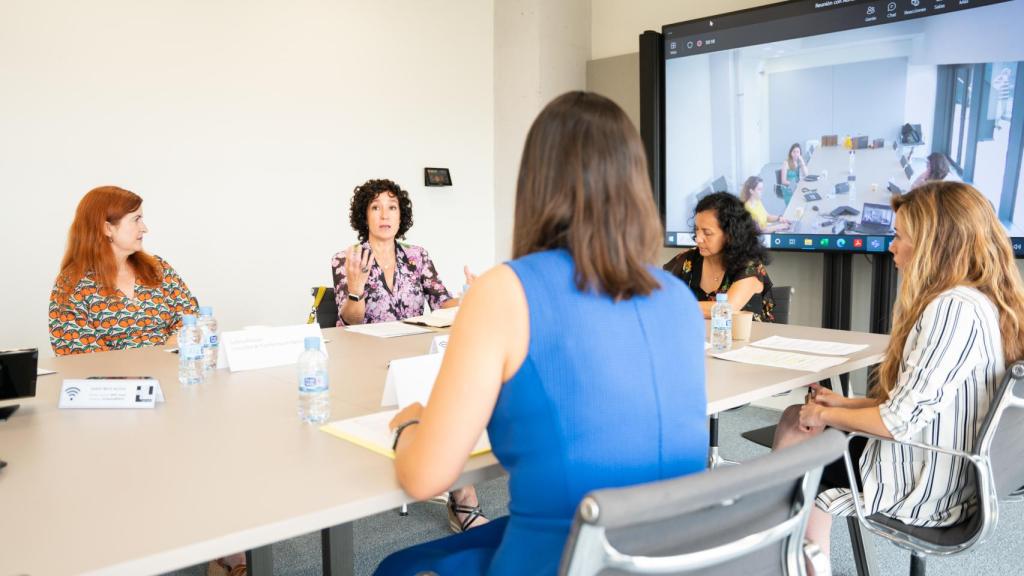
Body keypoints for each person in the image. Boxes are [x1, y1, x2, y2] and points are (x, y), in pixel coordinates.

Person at [375, 91, 708, 575]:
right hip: (668, 556)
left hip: (564, 560)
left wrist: (409, 426)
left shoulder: (504, 292)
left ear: (535, 184)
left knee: (397, 567)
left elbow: (425, 478)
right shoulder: (677, 297)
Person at [772, 181, 1024, 574]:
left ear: (934, 246)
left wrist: (824, 415)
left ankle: (794, 556)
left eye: (900, 236)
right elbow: (922, 402)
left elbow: (896, 422)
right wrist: (843, 404)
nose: (891, 246)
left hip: (928, 484)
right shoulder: (982, 300)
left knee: (801, 442)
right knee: (798, 418)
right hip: (949, 465)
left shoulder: (951, 309)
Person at [330, 178, 483, 533]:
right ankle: (454, 490)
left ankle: (461, 494)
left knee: (451, 403)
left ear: (402, 216)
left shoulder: (417, 256)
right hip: (366, 362)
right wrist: (355, 291)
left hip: (415, 358)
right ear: (364, 216)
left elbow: (441, 301)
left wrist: (470, 297)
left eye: (392, 207)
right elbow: (349, 320)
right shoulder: (347, 260)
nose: (385, 215)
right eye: (376, 207)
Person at [49, 186, 199, 356]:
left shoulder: (158, 268)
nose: (144, 228)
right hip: (111, 374)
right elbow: (80, 355)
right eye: (136, 219)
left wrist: (166, 352)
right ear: (107, 228)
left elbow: (191, 319)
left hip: (170, 368)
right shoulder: (72, 284)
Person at [663, 192, 776, 322]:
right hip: (701, 334)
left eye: (707, 233)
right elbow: (655, 293)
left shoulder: (750, 266)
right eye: (697, 229)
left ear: (730, 234)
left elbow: (726, 308)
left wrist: (673, 305)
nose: (698, 238)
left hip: (751, 335)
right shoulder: (689, 260)